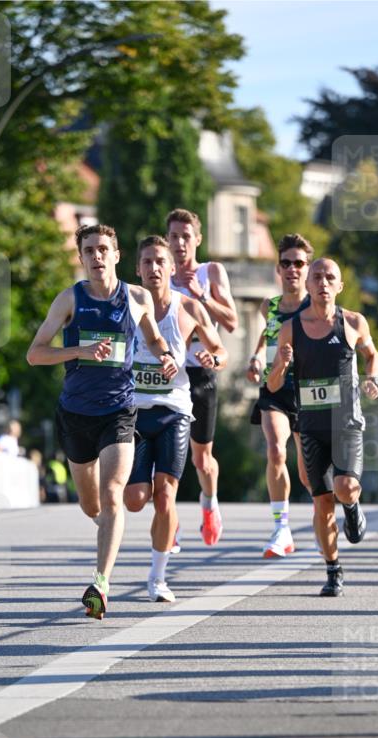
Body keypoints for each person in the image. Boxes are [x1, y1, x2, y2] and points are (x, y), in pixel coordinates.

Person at [26, 223, 178, 619]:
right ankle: (109, 530)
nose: (96, 257)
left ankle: (101, 583)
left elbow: (154, 338)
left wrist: (165, 356)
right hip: (75, 413)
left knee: (113, 495)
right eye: (89, 250)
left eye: (103, 249)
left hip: (119, 411)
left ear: (116, 255)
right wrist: (80, 350)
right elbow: (35, 354)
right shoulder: (69, 300)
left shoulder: (136, 297)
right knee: (91, 503)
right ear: (81, 258)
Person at [268, 258, 378, 597]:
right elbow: (273, 385)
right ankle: (333, 569)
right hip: (311, 426)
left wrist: (372, 378)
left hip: (346, 424)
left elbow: (372, 354)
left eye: (330, 277)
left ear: (340, 286)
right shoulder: (291, 328)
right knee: (321, 505)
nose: (323, 282)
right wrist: (283, 365)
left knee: (345, 487)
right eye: (316, 276)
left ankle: (353, 507)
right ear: (308, 284)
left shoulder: (353, 322)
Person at [125, 236, 227, 602]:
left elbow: (220, 350)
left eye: (160, 262)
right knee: (136, 499)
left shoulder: (188, 309)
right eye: (147, 262)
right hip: (134, 413)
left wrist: (212, 359)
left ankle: (157, 578)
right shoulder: (126, 307)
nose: (153, 268)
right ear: (137, 269)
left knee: (166, 495)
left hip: (174, 412)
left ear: (172, 269)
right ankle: (162, 520)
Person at [166, 208, 238, 546]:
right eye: (174, 237)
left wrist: (201, 295)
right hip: (167, 374)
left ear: (197, 239)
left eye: (185, 236)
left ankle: (210, 505)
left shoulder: (211, 271)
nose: (179, 243)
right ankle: (169, 521)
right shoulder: (158, 273)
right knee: (165, 455)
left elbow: (232, 322)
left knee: (201, 458)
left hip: (202, 370)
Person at [246, 233, 313, 557]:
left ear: (308, 269)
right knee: (274, 450)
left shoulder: (315, 307)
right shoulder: (269, 306)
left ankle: (327, 516)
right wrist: (257, 357)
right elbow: (267, 335)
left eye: (298, 263)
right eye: (286, 263)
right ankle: (281, 528)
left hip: (309, 394)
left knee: (308, 473)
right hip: (274, 389)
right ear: (278, 267)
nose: (292, 269)